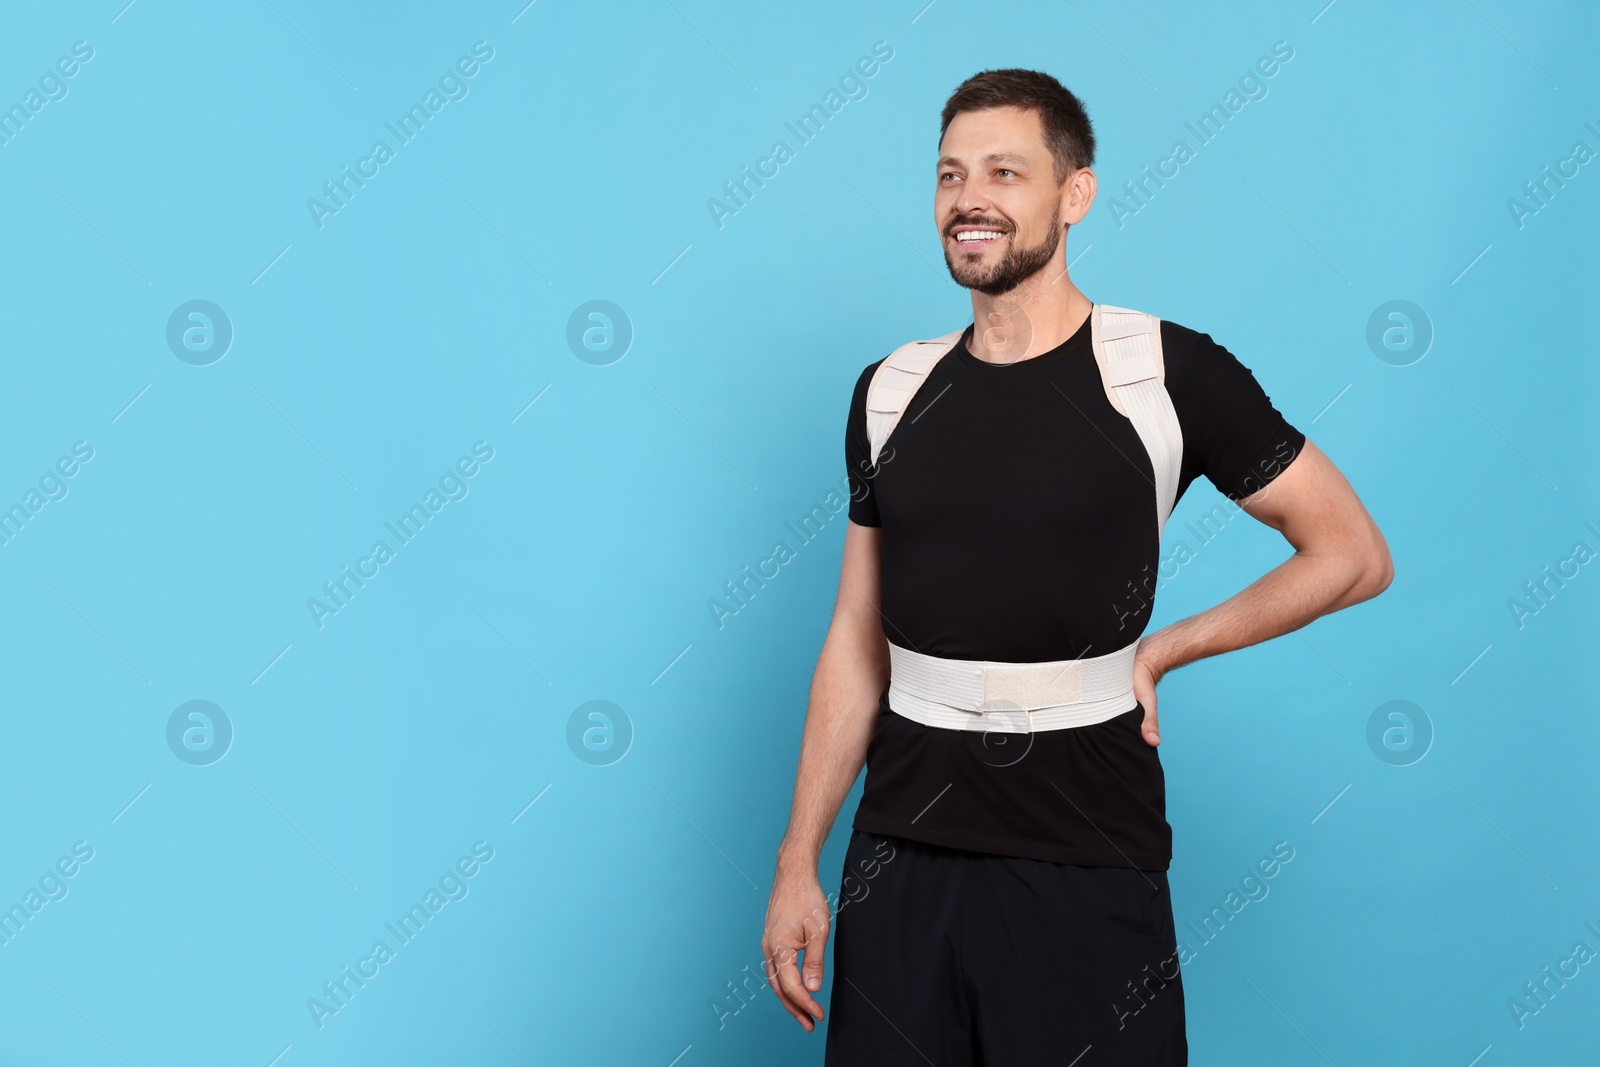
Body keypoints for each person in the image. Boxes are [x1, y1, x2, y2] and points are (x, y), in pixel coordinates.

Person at [760, 68, 1393, 1065]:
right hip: (899, 865)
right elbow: (853, 636)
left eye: (1005, 171)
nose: (970, 198)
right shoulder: (887, 391)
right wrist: (799, 860)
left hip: (1084, 859)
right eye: (950, 175)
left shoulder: (1162, 373)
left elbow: (1352, 552)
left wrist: (1168, 648)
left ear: (1075, 193)